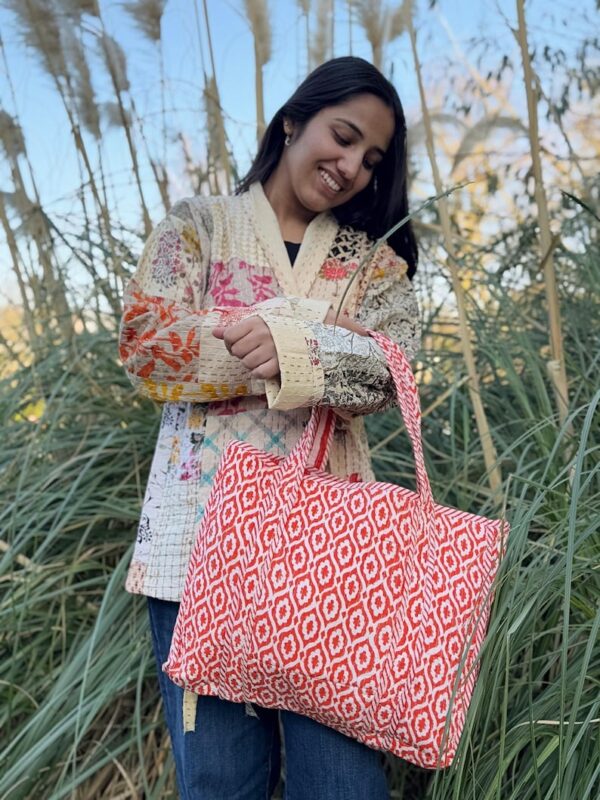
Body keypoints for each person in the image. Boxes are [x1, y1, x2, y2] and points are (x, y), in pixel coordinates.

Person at [119, 55, 421, 800]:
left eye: (371, 159)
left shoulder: (372, 264)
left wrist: (283, 341)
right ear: (292, 121)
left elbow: (390, 373)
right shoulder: (197, 226)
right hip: (197, 551)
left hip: (336, 558)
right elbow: (147, 345)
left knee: (345, 787)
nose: (351, 166)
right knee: (220, 785)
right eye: (342, 136)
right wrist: (318, 332)